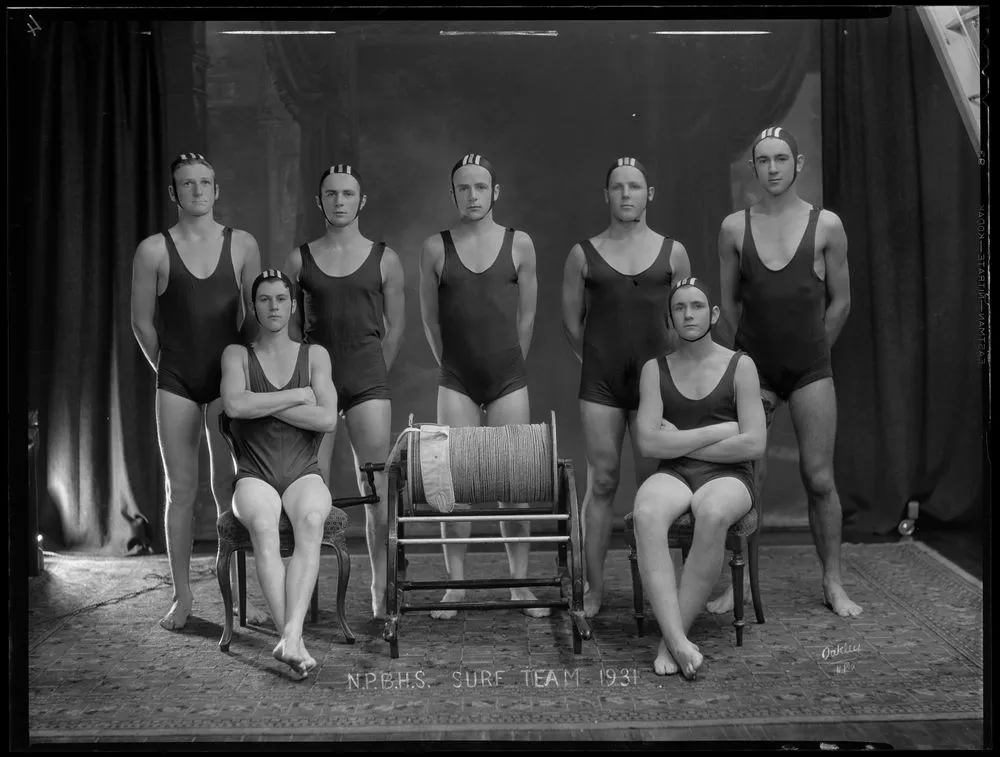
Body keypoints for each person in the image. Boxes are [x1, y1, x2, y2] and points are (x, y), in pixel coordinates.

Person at [715, 126, 861, 617]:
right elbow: (729, 303)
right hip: (753, 367)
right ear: (753, 167)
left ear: (798, 164)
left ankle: (833, 581)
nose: (772, 168)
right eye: (763, 160)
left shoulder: (827, 226)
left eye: (781, 159)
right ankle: (732, 585)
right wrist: (748, 366)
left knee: (819, 477)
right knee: (742, 481)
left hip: (809, 369)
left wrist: (814, 353)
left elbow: (840, 302)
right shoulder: (735, 227)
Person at [130, 152, 265, 631]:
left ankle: (238, 595)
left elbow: (257, 319)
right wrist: (167, 370)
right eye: (186, 185)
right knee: (180, 490)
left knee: (228, 487)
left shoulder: (243, 245)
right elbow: (142, 323)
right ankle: (182, 597)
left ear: (216, 189)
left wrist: (242, 376)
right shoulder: (153, 250)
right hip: (178, 381)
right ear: (173, 193)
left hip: (228, 378)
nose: (196, 191)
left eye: (204, 183)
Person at [418, 153, 547, 619]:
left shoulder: (520, 244)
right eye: (463, 188)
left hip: (508, 375)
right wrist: (451, 367)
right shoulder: (436, 247)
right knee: (453, 484)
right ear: (452, 194)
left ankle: (519, 584)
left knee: (512, 484)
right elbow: (431, 321)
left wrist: (511, 366)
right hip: (456, 377)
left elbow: (527, 315)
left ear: (496, 192)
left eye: (480, 187)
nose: (473, 196)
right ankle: (456, 585)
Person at [561, 156, 691, 618]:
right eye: (618, 187)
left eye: (635, 186)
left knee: (658, 485)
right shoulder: (583, 253)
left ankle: (665, 594)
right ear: (607, 196)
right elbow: (571, 324)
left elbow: (684, 322)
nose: (627, 194)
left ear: (649, 194)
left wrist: (663, 375)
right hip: (601, 383)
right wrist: (600, 360)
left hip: (656, 383)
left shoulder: (673, 252)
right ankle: (593, 590)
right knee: (603, 481)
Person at [284, 164, 405, 620]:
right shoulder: (300, 260)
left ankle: (380, 588)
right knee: (311, 489)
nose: (339, 201)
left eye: (347, 194)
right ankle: (307, 594)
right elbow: (292, 332)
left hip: (367, 381)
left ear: (361, 201)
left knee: (375, 487)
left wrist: (372, 374)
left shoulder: (384, 258)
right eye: (330, 194)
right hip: (317, 388)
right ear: (320, 202)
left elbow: (396, 330)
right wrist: (315, 385)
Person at [633, 277, 766, 680]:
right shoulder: (654, 370)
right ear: (670, 318)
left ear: (713, 314)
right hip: (674, 472)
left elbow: (755, 443)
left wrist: (678, 441)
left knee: (710, 511)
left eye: (696, 306)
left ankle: (670, 640)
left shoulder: (740, 365)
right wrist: (719, 431)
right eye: (679, 307)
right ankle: (677, 640)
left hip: (729, 475)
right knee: (646, 513)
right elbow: (647, 443)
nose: (688, 314)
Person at [220, 269, 339, 679]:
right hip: (254, 473)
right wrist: (295, 395)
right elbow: (234, 407)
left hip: (303, 471)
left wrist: (261, 401)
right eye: (265, 299)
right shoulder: (236, 355)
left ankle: (290, 637)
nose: (273, 307)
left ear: (293, 306)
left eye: (281, 300)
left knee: (310, 519)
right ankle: (293, 639)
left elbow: (325, 419)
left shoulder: (315, 355)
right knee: (265, 526)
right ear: (253, 307)